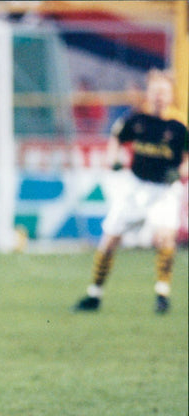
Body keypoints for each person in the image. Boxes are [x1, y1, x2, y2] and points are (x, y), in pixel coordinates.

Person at [73, 69, 188, 314]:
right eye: (155, 91)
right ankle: (94, 293)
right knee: (111, 237)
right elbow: (116, 138)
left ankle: (162, 294)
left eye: (164, 92)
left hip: (165, 190)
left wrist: (180, 171)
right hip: (136, 187)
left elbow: (187, 159)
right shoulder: (136, 119)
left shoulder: (179, 126)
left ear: (171, 95)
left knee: (165, 237)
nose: (159, 96)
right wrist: (113, 158)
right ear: (149, 93)